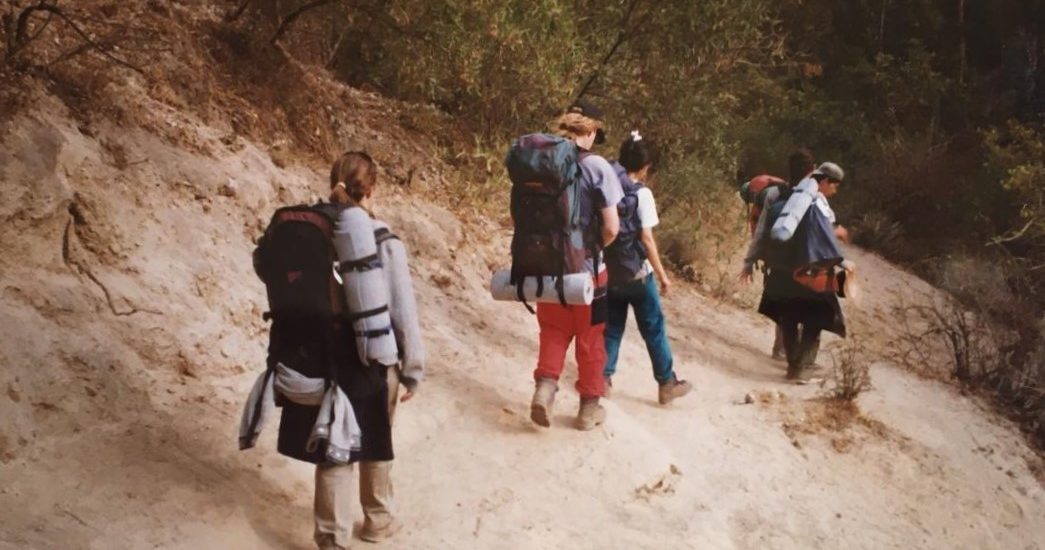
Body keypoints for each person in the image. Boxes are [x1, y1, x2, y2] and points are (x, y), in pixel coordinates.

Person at [275, 152, 425, 550]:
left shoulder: (307, 231)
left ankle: (331, 538)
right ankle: (377, 522)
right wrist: (412, 369)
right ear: (371, 190)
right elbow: (402, 310)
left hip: (319, 353)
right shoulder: (381, 238)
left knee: (333, 446)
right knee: (376, 438)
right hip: (370, 354)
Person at [529, 101, 623, 431]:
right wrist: (596, 249)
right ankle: (588, 408)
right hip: (588, 273)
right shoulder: (598, 167)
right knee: (591, 337)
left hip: (547, 270)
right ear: (593, 132)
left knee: (553, 332)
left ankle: (545, 388)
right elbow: (611, 227)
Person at [602, 130, 692, 405]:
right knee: (653, 327)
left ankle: (602, 378)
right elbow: (647, 240)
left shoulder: (608, 185)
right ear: (645, 166)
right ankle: (667, 383)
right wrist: (664, 277)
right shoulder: (643, 195)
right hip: (638, 276)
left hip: (610, 271)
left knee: (612, 327)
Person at [754, 162, 850, 382]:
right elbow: (822, 239)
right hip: (809, 271)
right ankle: (802, 368)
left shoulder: (794, 198)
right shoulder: (817, 204)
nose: (835, 190)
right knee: (816, 318)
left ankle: (793, 366)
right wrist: (843, 262)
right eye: (834, 185)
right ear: (825, 181)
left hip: (785, 269)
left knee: (789, 317)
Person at [740, 148, 816, 361]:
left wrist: (749, 261)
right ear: (812, 170)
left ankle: (781, 348)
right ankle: (794, 356)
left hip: (777, 261)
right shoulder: (812, 197)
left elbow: (762, 230)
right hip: (802, 261)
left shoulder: (775, 194)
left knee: (784, 306)